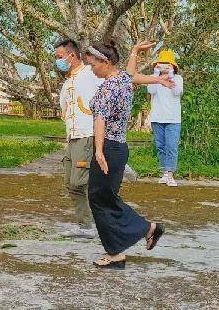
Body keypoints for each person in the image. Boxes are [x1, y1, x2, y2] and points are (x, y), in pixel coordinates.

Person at [84, 40, 169, 268]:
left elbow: (100, 119)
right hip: (119, 148)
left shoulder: (110, 87)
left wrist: (99, 151)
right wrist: (135, 54)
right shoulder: (120, 80)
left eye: (93, 65)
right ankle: (117, 250)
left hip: (109, 147)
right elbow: (132, 76)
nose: (92, 69)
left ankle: (137, 236)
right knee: (106, 198)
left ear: (106, 62)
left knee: (100, 199)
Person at [55, 39, 103, 239]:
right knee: (70, 182)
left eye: (59, 57)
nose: (57, 61)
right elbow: (64, 109)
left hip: (87, 135)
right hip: (72, 137)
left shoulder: (90, 75)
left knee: (79, 181)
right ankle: (85, 226)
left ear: (71, 56)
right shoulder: (68, 82)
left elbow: (105, 99)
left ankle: (111, 168)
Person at [147, 50, 184, 187]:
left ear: (173, 66)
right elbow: (151, 91)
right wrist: (157, 75)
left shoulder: (178, 79)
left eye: (167, 64)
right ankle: (164, 172)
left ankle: (170, 174)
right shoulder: (153, 78)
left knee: (171, 146)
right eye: (161, 64)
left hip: (173, 118)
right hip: (157, 117)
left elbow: (177, 92)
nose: (163, 67)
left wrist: (171, 76)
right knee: (160, 146)